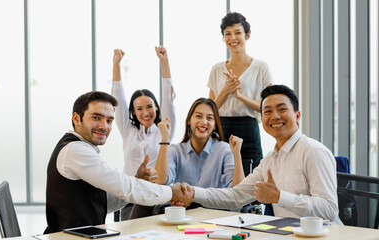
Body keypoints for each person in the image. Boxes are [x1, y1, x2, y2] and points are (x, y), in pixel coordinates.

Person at [175, 85, 343, 224]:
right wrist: (192, 192)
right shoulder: (270, 159)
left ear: (297, 116)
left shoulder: (313, 151)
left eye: (282, 109)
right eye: (268, 111)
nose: (275, 116)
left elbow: (329, 209)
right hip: (287, 234)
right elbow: (236, 196)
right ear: (262, 120)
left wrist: (279, 197)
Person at [44, 91, 189, 234]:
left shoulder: (81, 148)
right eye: (96, 117)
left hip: (85, 235)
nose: (104, 126)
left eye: (109, 120)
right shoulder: (75, 150)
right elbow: (125, 186)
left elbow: (105, 203)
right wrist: (172, 192)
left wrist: (137, 179)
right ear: (76, 118)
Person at [128, 98, 245, 219]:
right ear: (189, 120)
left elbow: (237, 191)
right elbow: (161, 181)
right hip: (181, 212)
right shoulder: (176, 150)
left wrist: (236, 154)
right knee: (143, 201)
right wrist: (165, 139)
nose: (204, 122)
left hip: (212, 212)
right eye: (198, 116)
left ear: (215, 124)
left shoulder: (224, 150)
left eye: (209, 118)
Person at [111, 46, 176, 218]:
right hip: (130, 198)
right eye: (139, 109)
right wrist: (116, 64)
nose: (145, 112)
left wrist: (164, 62)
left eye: (149, 107)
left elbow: (168, 97)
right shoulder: (128, 131)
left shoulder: (164, 129)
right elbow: (118, 96)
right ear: (133, 112)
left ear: (157, 107)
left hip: (156, 199)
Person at [208, 12, 273, 175]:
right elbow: (209, 111)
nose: (233, 38)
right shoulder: (216, 69)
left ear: (247, 35)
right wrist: (226, 91)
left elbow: (268, 107)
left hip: (248, 129)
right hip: (221, 129)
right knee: (222, 179)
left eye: (238, 32)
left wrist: (239, 96)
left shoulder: (261, 68)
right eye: (227, 34)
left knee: (251, 178)